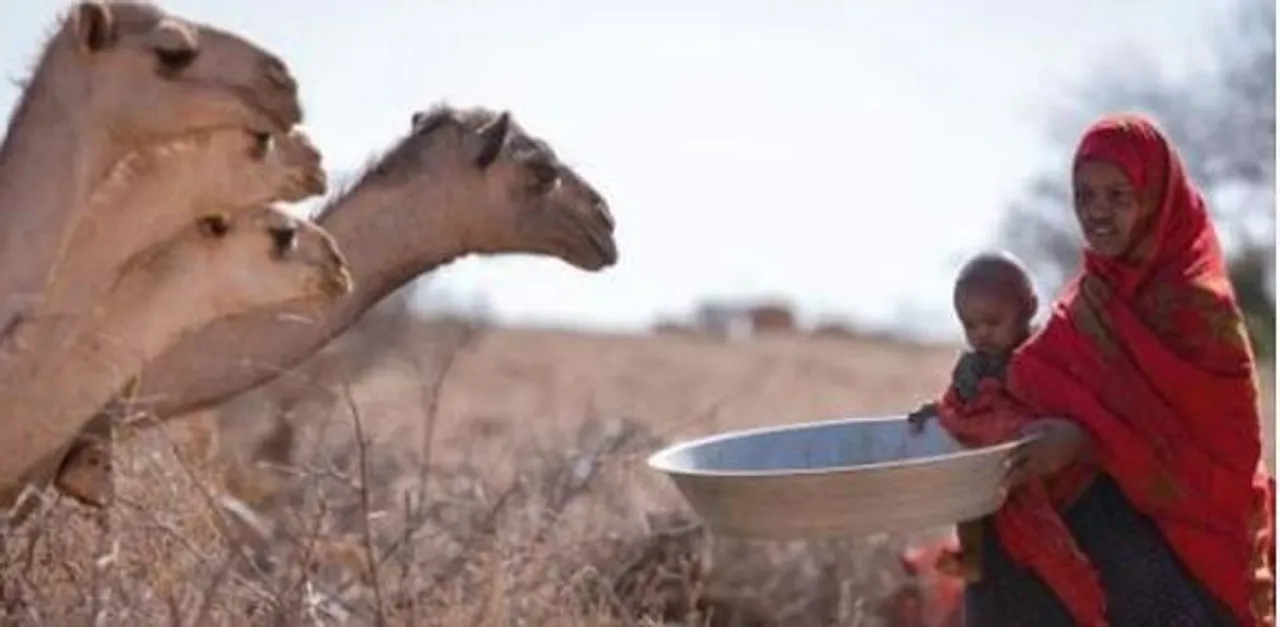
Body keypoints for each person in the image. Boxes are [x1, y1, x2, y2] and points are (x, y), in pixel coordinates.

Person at [959, 112, 1275, 626]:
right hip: (1107, 526)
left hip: (1193, 552)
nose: (1097, 212)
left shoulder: (1197, 311)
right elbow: (1023, 381)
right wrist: (963, 399)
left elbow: (1219, 460)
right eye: (1086, 196)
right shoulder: (1087, 302)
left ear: (1154, 200)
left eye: (1117, 196)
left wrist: (1084, 443)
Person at [908, 251, 1108, 626]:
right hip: (987, 498)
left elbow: (1070, 414)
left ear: (1028, 307)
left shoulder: (1043, 360)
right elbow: (957, 406)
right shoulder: (971, 368)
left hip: (1047, 493)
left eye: (992, 322)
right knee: (963, 498)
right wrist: (936, 415)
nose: (981, 333)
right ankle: (971, 555)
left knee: (1058, 587)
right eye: (970, 325)